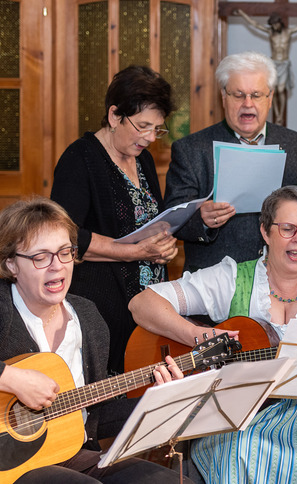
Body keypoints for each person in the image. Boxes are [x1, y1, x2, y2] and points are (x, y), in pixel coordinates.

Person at [130, 186, 297, 484]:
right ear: (265, 232)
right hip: (234, 418)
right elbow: (142, 304)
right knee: (241, 450)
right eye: (287, 229)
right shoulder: (232, 278)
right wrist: (198, 336)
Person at [0, 197, 192, 484]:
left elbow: (96, 416)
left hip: (72, 453)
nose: (57, 266)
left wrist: (155, 402)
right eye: (41, 257)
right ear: (12, 264)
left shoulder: (88, 318)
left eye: (65, 252)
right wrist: (12, 378)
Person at [51, 65, 178, 374]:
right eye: (143, 126)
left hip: (148, 308)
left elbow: (150, 219)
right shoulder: (80, 159)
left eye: (157, 129)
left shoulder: (144, 159)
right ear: (114, 115)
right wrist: (135, 252)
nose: (150, 138)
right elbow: (65, 236)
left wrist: (163, 245)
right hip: (102, 308)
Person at [164, 51, 297, 273]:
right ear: (223, 96)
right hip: (215, 278)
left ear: (270, 98)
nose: (247, 104)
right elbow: (173, 221)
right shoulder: (190, 149)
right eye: (238, 95)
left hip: (283, 276)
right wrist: (201, 219)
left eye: (256, 95)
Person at [235, 10, 297, 125]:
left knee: (281, 90)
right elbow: (255, 24)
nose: (274, 27)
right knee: (273, 90)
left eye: (276, 24)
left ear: (280, 23)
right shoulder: (270, 32)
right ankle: (277, 114)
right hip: (274, 63)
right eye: (272, 25)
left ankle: (280, 115)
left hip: (284, 63)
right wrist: (242, 13)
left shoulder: (288, 32)